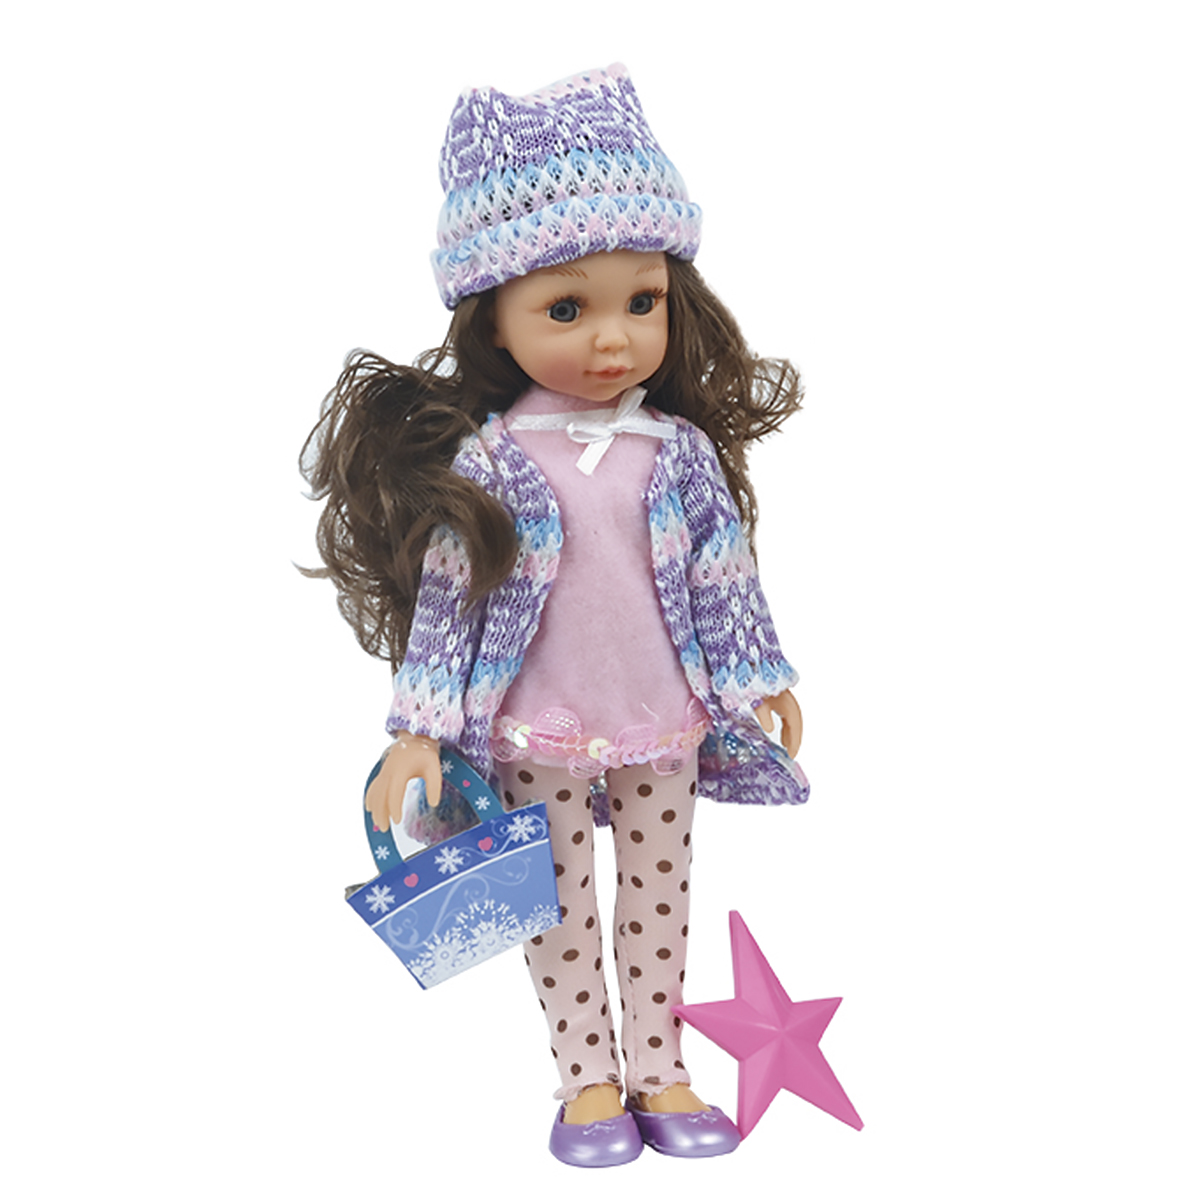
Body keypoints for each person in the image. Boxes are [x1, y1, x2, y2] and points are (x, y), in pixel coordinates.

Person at [302, 64, 809, 1166]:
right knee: (559, 903)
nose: (612, 339)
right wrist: (417, 731)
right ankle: (588, 1079)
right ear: (494, 317)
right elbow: (450, 606)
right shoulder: (489, 463)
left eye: (643, 301)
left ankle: (661, 1066)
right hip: (534, 725)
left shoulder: (678, 454)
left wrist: (760, 674)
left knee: (660, 896)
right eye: (566, 309)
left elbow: (725, 576)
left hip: (665, 719)